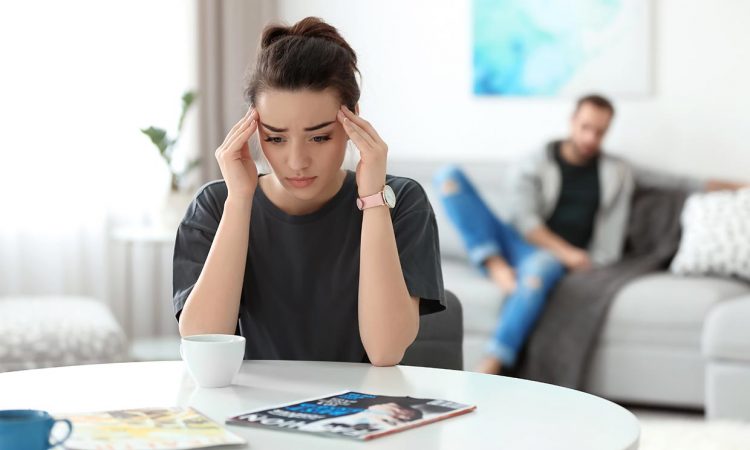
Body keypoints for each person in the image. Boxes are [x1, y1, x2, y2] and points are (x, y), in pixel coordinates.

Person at [172, 17, 445, 367]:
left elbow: (386, 350)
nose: (297, 161)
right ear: (252, 129)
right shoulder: (214, 206)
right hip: (248, 411)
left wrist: (374, 198)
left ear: (353, 122)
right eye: (275, 138)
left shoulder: (400, 201)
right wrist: (239, 201)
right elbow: (202, 343)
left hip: (359, 414)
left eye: (319, 137)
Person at [435, 94, 747, 375]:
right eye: (585, 127)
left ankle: (493, 361)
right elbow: (526, 222)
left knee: (539, 272)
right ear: (572, 121)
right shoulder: (533, 163)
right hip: (516, 240)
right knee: (448, 178)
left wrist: (740, 187)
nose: (590, 137)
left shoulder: (617, 170)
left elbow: (682, 183)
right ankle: (494, 264)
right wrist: (568, 253)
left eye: (599, 132)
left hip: (544, 259)